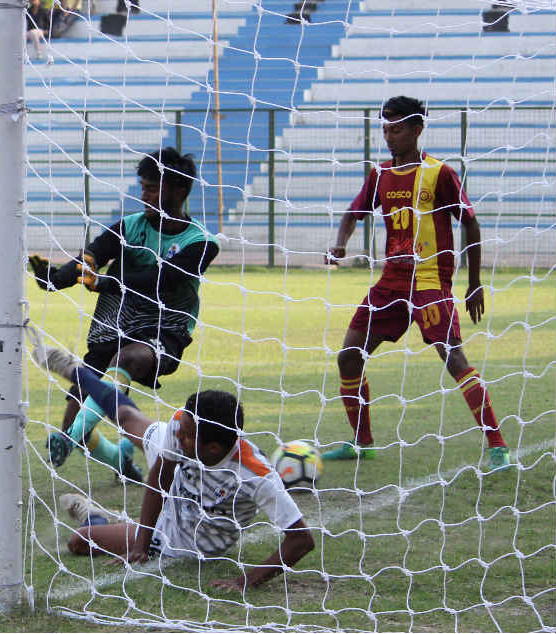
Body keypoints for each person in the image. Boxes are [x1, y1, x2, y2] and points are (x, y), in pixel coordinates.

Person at [31, 339, 315, 587]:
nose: (178, 433)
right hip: (181, 474)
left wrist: (246, 581)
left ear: (214, 446)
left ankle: (101, 517)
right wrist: (140, 544)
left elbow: (301, 540)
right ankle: (76, 371)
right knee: (128, 418)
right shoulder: (183, 429)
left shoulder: (255, 475)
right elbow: (160, 476)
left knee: (80, 541)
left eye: (188, 434)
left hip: (185, 538)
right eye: (182, 426)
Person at [324, 95, 511, 471]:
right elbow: (353, 213)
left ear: (417, 130)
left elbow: (470, 223)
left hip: (429, 281)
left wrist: (474, 283)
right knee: (348, 355)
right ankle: (362, 442)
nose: (390, 137)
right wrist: (340, 243)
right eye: (386, 130)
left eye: (397, 130)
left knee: (453, 357)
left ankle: (497, 445)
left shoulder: (439, 173)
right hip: (391, 282)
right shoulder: (379, 175)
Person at [29, 147, 219, 482]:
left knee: (129, 358)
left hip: (165, 327)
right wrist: (55, 279)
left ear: (180, 191)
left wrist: (105, 282)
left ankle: (70, 438)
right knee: (79, 418)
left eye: (152, 188)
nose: (143, 194)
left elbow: (162, 280)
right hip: (115, 324)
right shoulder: (130, 227)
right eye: (143, 186)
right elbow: (92, 256)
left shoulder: (201, 242)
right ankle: (119, 457)